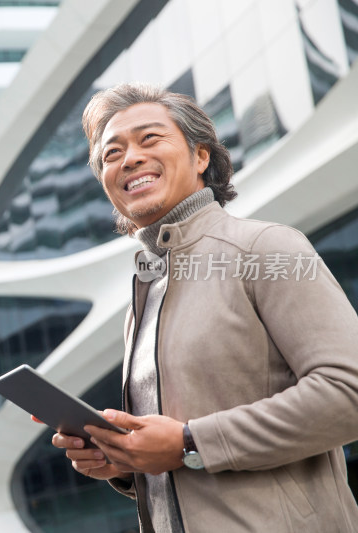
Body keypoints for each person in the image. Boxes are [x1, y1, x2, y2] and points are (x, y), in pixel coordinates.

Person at [44, 83, 358, 532]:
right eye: (111, 154)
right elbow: (183, 448)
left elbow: (349, 392)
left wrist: (189, 442)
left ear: (200, 157)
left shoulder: (268, 248)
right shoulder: (148, 287)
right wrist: (128, 463)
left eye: (150, 139)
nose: (129, 158)